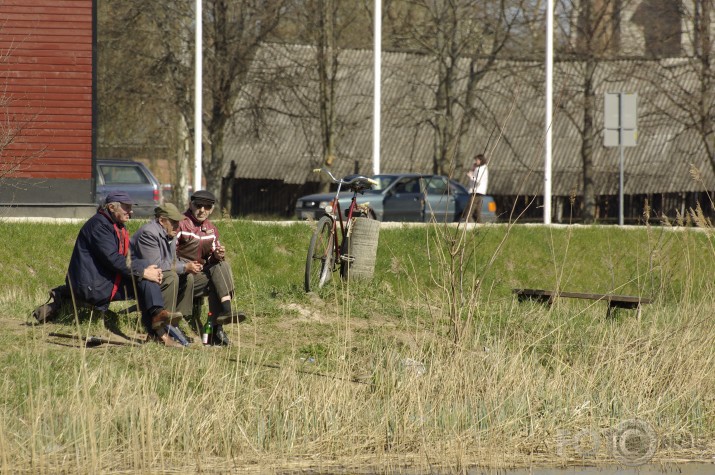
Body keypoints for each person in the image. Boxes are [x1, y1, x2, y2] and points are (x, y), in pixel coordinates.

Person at [32, 191, 181, 347]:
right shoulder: (98, 226)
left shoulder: (116, 225)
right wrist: (143, 271)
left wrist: (147, 268)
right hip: (92, 285)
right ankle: (158, 327)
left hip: (105, 279)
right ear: (111, 207)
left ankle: (157, 323)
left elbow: (125, 259)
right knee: (144, 276)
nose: (130, 211)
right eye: (126, 208)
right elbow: (113, 260)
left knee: (146, 274)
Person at [176, 190, 245, 346]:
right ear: (190, 205)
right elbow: (168, 255)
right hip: (181, 274)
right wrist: (185, 266)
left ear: (212, 209)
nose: (202, 210)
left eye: (207, 207)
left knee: (222, 264)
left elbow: (212, 258)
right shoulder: (180, 224)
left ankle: (223, 316)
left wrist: (218, 255)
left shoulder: (211, 229)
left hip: (199, 275)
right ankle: (216, 326)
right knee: (216, 281)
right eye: (198, 205)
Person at [131, 203, 203, 345]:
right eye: (174, 222)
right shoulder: (149, 233)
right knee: (172, 276)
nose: (178, 226)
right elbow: (156, 265)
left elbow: (171, 261)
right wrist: (184, 266)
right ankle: (162, 327)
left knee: (188, 277)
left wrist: (189, 266)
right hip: (139, 277)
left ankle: (175, 323)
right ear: (162, 220)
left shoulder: (170, 233)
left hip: (155, 275)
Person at [461, 153, 489, 223]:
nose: (475, 162)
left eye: (477, 160)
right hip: (479, 191)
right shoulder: (481, 168)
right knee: (477, 212)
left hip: (476, 191)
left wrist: (471, 176)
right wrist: (473, 170)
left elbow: (478, 181)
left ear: (481, 160)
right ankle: (480, 226)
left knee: (469, 211)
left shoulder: (481, 169)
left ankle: (468, 225)